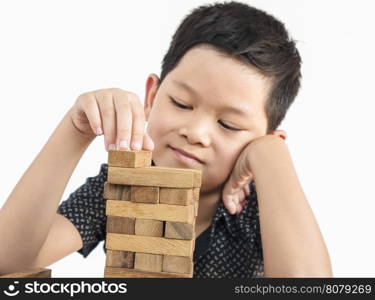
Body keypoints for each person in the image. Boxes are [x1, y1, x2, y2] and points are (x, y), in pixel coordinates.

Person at [0, 1, 332, 278]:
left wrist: (270, 154)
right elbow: (8, 263)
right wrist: (75, 130)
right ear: (152, 96)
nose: (196, 132)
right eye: (181, 104)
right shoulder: (124, 187)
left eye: (229, 124)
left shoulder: (259, 209)